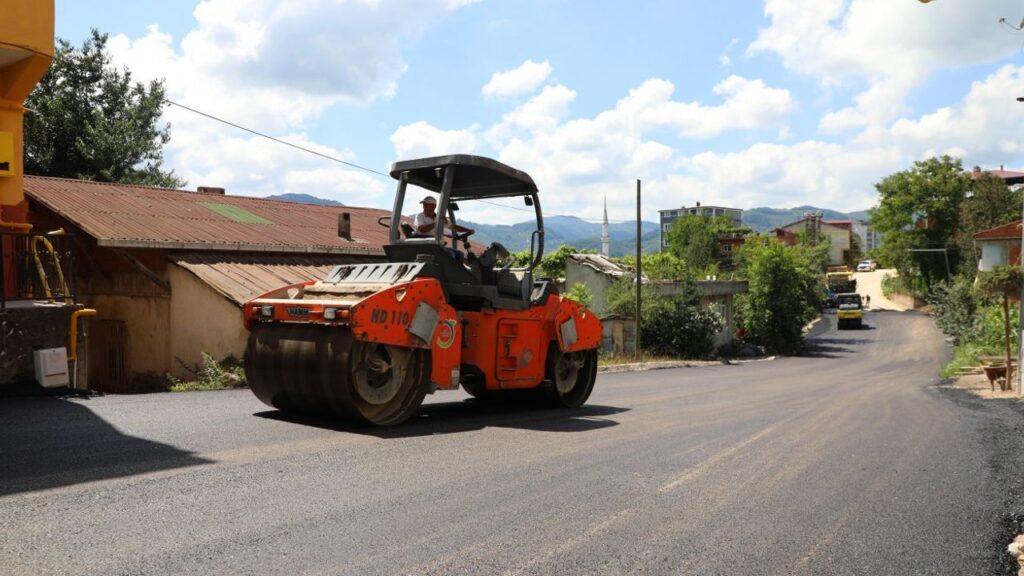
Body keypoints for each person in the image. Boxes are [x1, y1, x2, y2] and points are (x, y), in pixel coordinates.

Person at [414, 196, 474, 262]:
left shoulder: (439, 218)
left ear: (433, 206)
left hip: (438, 245)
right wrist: (437, 223)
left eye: (426, 204)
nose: (424, 206)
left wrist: (467, 230)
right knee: (450, 255)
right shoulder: (420, 216)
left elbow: (454, 227)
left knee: (460, 254)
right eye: (424, 204)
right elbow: (422, 229)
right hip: (426, 245)